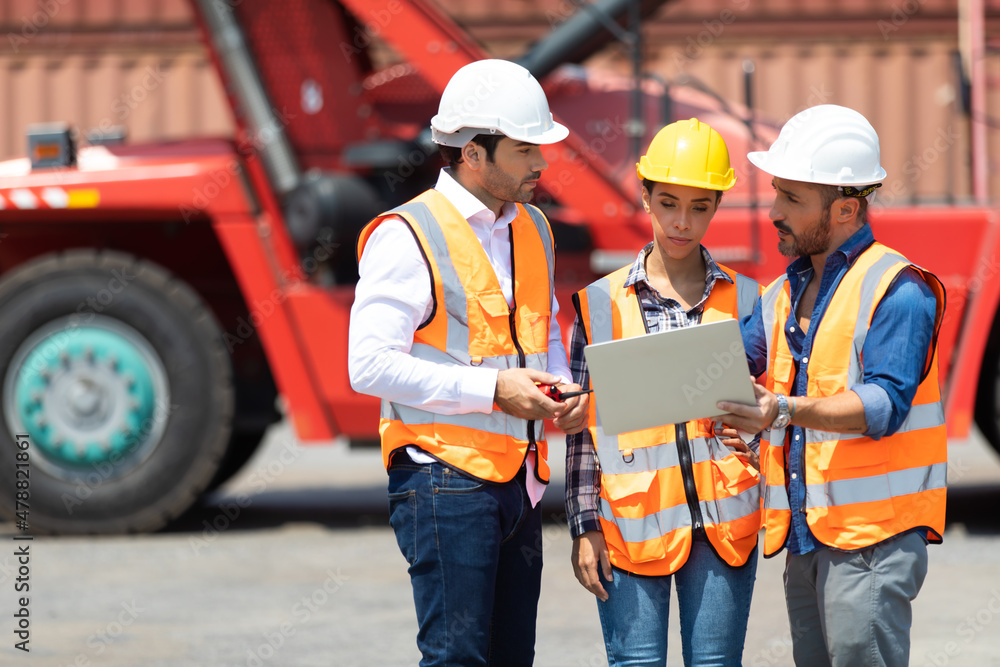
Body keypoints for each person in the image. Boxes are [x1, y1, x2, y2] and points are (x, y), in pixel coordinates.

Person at [348, 58, 589, 667]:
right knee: (457, 660)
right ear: (472, 153)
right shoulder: (407, 234)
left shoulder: (534, 226)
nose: (540, 162)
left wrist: (563, 390)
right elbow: (367, 366)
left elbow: (540, 336)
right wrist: (493, 391)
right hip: (442, 481)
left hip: (521, 485)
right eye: (524, 149)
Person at [718, 104, 947, 667]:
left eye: (792, 199)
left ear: (846, 208)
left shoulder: (899, 288)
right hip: (808, 534)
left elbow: (883, 404)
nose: (774, 212)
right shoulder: (779, 296)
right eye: (777, 194)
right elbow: (719, 371)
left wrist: (781, 411)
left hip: (873, 537)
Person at [566, 118, 762, 666]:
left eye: (700, 207)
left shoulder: (751, 302)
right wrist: (584, 526)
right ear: (644, 193)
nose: (682, 221)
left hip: (724, 528)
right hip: (630, 525)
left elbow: (772, 415)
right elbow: (584, 430)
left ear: (717, 206)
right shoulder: (598, 305)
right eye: (668, 202)